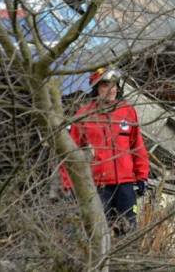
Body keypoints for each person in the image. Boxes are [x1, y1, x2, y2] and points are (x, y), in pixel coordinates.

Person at [62, 67, 150, 235]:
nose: (111, 90)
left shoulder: (128, 112)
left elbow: (137, 147)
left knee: (128, 231)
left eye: (114, 85)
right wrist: (69, 184)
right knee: (96, 233)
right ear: (96, 88)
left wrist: (142, 176)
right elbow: (70, 153)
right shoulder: (84, 115)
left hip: (125, 186)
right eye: (105, 85)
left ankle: (125, 261)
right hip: (98, 187)